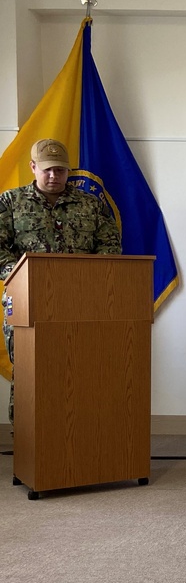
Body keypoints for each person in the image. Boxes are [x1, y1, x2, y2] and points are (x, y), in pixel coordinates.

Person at [1, 139, 123, 422]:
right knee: (30, 368)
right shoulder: (10, 202)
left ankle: (74, 432)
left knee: (78, 366)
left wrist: (88, 279)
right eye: (47, 170)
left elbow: (109, 246)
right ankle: (26, 436)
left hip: (80, 300)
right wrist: (21, 274)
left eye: (60, 170)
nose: (54, 176)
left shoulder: (90, 204)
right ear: (33, 167)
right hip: (27, 299)